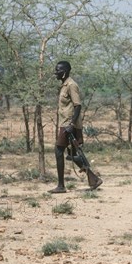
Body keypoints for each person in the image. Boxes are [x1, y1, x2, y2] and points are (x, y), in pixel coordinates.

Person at [49, 60, 91, 193]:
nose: (55, 72)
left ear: (64, 72)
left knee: (59, 151)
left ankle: (61, 186)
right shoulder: (64, 85)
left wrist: (72, 124)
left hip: (68, 124)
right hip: (65, 124)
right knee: (72, 153)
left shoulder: (71, 85)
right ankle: (93, 178)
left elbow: (77, 105)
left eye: (58, 70)